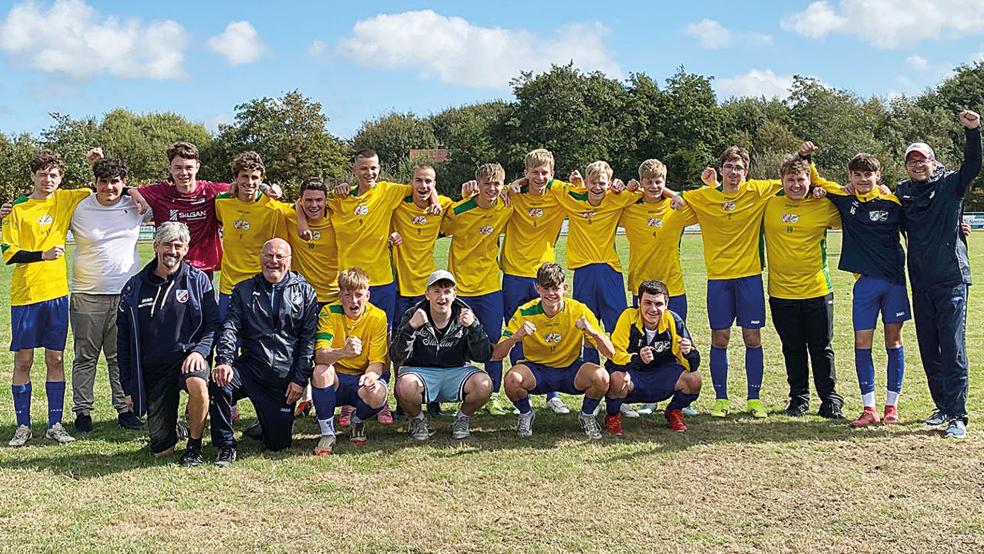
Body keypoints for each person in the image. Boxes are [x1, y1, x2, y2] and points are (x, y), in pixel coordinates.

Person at [675, 143, 811, 418]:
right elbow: (674, 195)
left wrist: (817, 187)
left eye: (739, 168)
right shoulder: (704, 196)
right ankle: (721, 399)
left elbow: (797, 181)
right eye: (729, 167)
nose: (734, 172)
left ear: (746, 172)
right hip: (718, 279)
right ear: (721, 169)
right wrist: (675, 198)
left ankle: (754, 398)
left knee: (752, 338)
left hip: (749, 277)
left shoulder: (757, 190)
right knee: (720, 338)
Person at [320, 149, 440, 425]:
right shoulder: (341, 198)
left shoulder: (388, 191)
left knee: (383, 340)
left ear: (379, 168)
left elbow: (422, 187)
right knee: (348, 338)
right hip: (350, 281)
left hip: (382, 281)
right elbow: (305, 203)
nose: (369, 173)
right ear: (354, 170)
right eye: (364, 168)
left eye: (373, 168)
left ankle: (381, 398)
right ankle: (349, 402)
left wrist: (433, 199)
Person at [896, 109, 982, 439]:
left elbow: (973, 165)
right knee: (929, 347)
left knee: (952, 346)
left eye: (923, 160)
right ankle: (942, 407)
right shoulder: (903, 193)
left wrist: (972, 131)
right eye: (912, 161)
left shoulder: (951, 185)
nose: (918, 165)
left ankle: (957, 415)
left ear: (933, 162)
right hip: (920, 281)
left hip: (952, 279)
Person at [811, 153, 909, 427]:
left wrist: (957, 228)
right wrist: (808, 157)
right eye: (857, 175)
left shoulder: (893, 202)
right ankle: (869, 408)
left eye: (868, 174)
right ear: (850, 177)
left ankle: (892, 407)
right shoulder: (845, 199)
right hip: (865, 285)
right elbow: (817, 181)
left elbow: (923, 223)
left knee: (893, 342)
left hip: (894, 283)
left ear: (878, 176)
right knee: (861, 344)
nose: (863, 179)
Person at [2, 151, 91, 446]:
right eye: (42, 174)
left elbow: (99, 188)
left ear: (61, 177)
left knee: (56, 358)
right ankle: (23, 426)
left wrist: (95, 161)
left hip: (56, 295)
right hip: (26, 295)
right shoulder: (17, 208)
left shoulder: (65, 199)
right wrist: (43, 254)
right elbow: (8, 253)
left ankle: (55, 424)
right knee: (23, 360)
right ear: (32, 176)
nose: (48, 179)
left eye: (53, 175)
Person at [209, 239, 319, 465]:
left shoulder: (306, 292)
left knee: (278, 444)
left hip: (283, 379)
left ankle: (265, 423)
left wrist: (299, 380)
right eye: (268, 256)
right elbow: (229, 328)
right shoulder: (243, 290)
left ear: (290, 260)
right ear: (261, 258)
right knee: (220, 381)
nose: (273, 261)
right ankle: (225, 446)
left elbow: (309, 341)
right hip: (251, 370)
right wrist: (225, 361)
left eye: (279, 257)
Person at [117, 222, 219, 465]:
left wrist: (199, 351)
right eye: (167, 245)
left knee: (197, 383)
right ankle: (174, 429)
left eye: (178, 246)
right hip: (154, 370)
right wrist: (128, 386)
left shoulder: (197, 281)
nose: (172, 251)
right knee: (161, 451)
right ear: (156, 246)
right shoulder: (134, 286)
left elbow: (213, 324)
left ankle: (194, 446)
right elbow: (123, 341)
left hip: (187, 360)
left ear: (186, 249)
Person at [762, 153, 844, 418]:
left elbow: (846, 196)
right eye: (790, 180)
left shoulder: (824, 205)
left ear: (810, 179)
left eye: (801, 179)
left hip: (817, 290)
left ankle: (830, 399)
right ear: (782, 180)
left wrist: (821, 184)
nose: (796, 185)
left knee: (822, 348)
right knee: (792, 348)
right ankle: (798, 399)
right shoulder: (769, 203)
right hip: (781, 292)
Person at [69, 155, 146, 432]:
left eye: (115, 181)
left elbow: (172, 199)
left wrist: (133, 191)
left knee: (119, 357)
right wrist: (13, 205)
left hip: (126, 295)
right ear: (95, 182)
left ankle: (124, 409)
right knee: (85, 357)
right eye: (103, 181)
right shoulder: (79, 207)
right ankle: (82, 412)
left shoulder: (136, 205)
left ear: (124, 182)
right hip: (86, 295)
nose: (109, 187)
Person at [493, 262, 614, 439]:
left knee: (601, 377)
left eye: (556, 288)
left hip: (570, 369)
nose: (551, 294)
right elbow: (497, 355)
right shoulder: (524, 312)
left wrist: (592, 332)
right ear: (538, 289)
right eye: (545, 288)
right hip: (537, 370)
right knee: (512, 379)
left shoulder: (579, 310)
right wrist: (515, 337)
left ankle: (587, 415)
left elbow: (610, 353)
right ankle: (526, 413)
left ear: (565, 287)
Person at [619, 159, 696, 416]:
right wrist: (627, 189)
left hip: (673, 286)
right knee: (643, 344)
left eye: (658, 181)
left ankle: (683, 400)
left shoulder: (677, 208)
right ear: (641, 182)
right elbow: (609, 200)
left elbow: (699, 201)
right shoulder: (630, 209)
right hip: (641, 288)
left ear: (665, 182)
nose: (654, 186)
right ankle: (649, 398)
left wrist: (673, 194)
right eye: (649, 182)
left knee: (678, 343)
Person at [442, 164, 513, 410]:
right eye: (487, 184)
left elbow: (528, 184)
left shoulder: (506, 205)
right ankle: (462, 392)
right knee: (458, 343)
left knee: (493, 340)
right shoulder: (459, 210)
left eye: (497, 184)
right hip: (461, 287)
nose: (492, 189)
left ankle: (493, 395)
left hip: (490, 286)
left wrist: (517, 185)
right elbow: (440, 228)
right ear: (477, 184)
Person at [391, 270, 493, 440]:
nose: (442, 297)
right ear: (427, 294)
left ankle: (462, 418)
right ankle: (418, 419)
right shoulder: (413, 314)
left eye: (447, 292)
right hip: (420, 372)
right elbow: (396, 356)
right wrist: (410, 328)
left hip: (456, 371)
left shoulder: (465, 314)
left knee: (484, 384)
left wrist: (474, 327)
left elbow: (483, 356)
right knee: (404, 386)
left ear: (455, 294)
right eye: (436, 291)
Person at [557, 161, 637, 369]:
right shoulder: (572, 197)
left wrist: (629, 186)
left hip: (609, 270)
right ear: (586, 181)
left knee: (618, 327)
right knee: (586, 327)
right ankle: (592, 376)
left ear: (609, 183)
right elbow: (546, 183)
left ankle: (618, 372)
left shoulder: (616, 198)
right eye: (592, 182)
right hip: (583, 271)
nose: (597, 187)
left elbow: (646, 190)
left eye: (602, 183)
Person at [604, 280, 701, 435]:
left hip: (661, 377)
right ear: (638, 303)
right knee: (616, 378)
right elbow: (614, 355)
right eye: (647, 303)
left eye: (658, 304)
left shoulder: (673, 320)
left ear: (666, 305)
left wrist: (688, 353)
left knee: (694, 379)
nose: (653, 309)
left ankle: (674, 411)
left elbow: (692, 364)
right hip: (633, 377)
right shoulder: (627, 317)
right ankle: (613, 416)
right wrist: (637, 359)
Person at [309, 268, 390, 455]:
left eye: (359, 295)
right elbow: (319, 355)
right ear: (340, 296)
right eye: (348, 295)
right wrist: (343, 352)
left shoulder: (378, 316)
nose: (354, 301)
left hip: (360, 379)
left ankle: (357, 420)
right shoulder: (328, 312)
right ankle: (327, 433)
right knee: (321, 371)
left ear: (367, 295)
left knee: (378, 393)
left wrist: (370, 377)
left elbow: (378, 362)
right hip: (336, 379)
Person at [214, 152, 286, 319]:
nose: (250, 182)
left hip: (259, 284)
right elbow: (220, 223)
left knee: (258, 335)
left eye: (255, 177)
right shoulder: (221, 202)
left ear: (261, 179)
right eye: (244, 176)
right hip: (229, 285)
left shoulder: (273, 208)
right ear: (235, 178)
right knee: (226, 332)